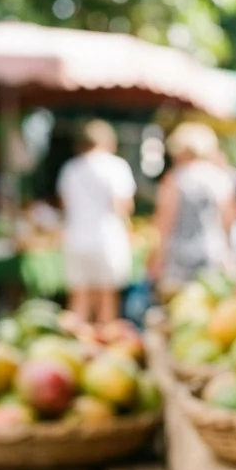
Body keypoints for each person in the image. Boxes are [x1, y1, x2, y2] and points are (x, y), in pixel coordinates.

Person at [57, 119, 137, 323]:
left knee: (79, 297)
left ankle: (76, 347)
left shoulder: (71, 168)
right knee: (107, 299)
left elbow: (64, 205)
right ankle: (105, 346)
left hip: (76, 238)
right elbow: (122, 206)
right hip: (107, 238)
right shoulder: (116, 166)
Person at [149, 122, 236, 293]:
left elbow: (164, 221)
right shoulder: (220, 178)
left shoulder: (176, 178)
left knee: (179, 309)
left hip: (179, 257)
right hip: (213, 253)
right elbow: (229, 219)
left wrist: (157, 257)